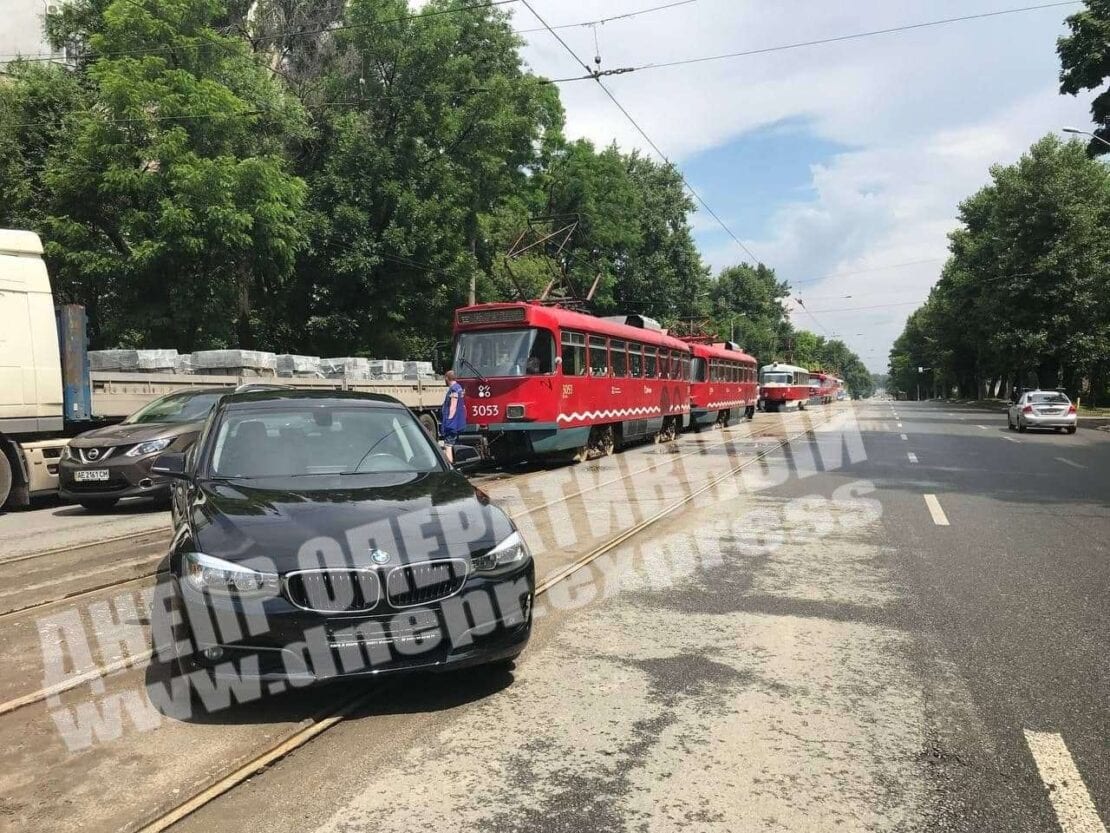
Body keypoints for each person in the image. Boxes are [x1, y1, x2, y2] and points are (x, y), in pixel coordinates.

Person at [440, 370, 466, 463]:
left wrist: (449, 421)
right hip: (458, 422)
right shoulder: (459, 387)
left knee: (448, 446)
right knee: (454, 444)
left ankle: (450, 466)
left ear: (447, 378)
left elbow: (453, 406)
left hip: (452, 424)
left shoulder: (454, 389)